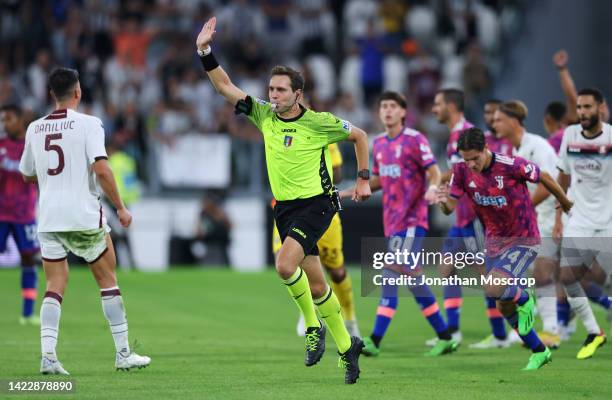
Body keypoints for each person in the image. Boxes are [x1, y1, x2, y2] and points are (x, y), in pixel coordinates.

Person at [196, 17, 371, 384]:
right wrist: (205, 51)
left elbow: (360, 136)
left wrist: (363, 179)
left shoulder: (320, 122)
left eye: (280, 90)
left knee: (282, 264)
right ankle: (346, 346)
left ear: (297, 93)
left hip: (317, 204)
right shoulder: (263, 116)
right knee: (318, 285)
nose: (272, 95)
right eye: (271, 89)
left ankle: (312, 327)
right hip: (286, 206)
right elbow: (224, 86)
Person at [18, 68, 150, 375]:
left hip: (49, 217)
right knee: (108, 281)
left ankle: (48, 357)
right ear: (78, 93)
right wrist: (121, 207)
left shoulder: (34, 128)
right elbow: (102, 170)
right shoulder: (90, 124)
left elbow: (26, 174)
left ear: (51, 94)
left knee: (54, 284)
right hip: (83, 215)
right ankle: (123, 353)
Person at [437, 127, 573, 370]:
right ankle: (539, 351)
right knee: (501, 303)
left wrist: (563, 202)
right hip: (495, 241)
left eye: (475, 158)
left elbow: (545, 177)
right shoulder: (460, 171)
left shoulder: (510, 165)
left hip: (523, 238)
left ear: (485, 149)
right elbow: (450, 207)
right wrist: (442, 201)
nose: (471, 164)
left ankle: (525, 296)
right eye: (466, 159)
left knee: (494, 286)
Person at [350, 91, 457, 357]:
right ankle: (445, 336)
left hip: (413, 220)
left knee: (390, 273)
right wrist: (353, 189)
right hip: (392, 222)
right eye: (383, 106)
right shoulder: (379, 144)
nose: (386, 110)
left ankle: (374, 339)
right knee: (415, 280)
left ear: (403, 112)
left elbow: (433, 171)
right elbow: (378, 180)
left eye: (392, 106)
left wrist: (433, 188)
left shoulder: (414, 139)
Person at [431, 89, 516, 349]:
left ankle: (505, 332)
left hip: (475, 217)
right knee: (446, 268)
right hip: (462, 217)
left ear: (451, 106)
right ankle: (454, 331)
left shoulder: (466, 136)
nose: (434, 109)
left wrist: (437, 181)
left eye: (438, 104)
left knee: (487, 275)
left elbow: (468, 174)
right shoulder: (456, 136)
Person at [272, 142, 361, 338]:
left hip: (318, 209)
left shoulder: (322, 131)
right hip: (288, 208)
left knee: (336, 272)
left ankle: (350, 320)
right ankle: (309, 314)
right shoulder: (277, 129)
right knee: (286, 262)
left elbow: (337, 175)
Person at [493, 100, 561, 348]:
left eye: (499, 119)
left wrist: (525, 208)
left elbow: (549, 181)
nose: (494, 123)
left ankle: (553, 328)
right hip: (531, 220)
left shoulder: (537, 145)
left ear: (513, 121)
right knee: (529, 274)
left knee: (548, 273)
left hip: (550, 215)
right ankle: (534, 327)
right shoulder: (514, 153)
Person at [553, 88, 612, 359]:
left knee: (606, 279)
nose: (582, 113)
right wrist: (559, 217)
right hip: (579, 219)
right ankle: (594, 331)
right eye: (579, 108)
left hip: (609, 221)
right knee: (567, 276)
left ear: (600, 108)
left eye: (587, 107)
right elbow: (562, 175)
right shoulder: (570, 136)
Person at [0, 104, 40, 325]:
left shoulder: (32, 144)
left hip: (24, 213)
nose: (4, 124)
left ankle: (27, 314)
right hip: (1, 212)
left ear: (20, 119)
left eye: (8, 119)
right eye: (2, 120)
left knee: (28, 259)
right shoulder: (1, 145)